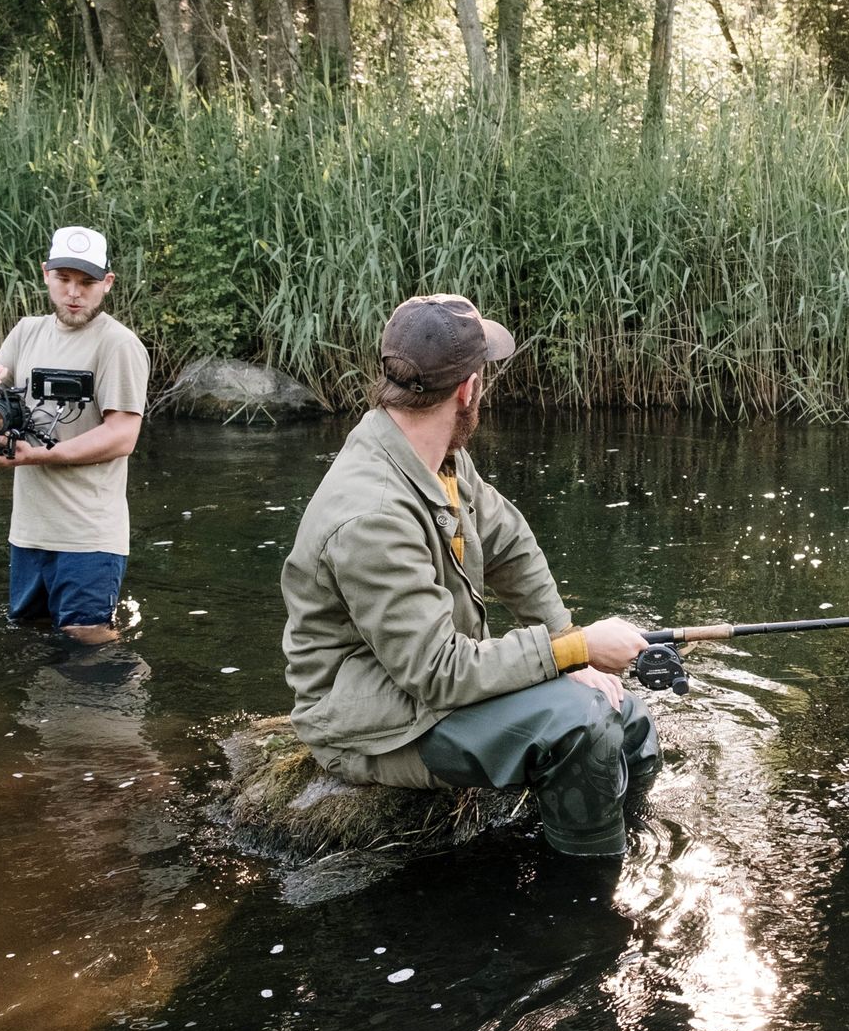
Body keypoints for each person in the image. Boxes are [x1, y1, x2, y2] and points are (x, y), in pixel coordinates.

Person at [281, 294, 662, 858]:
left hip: (424, 692)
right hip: (371, 724)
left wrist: (572, 650)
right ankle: (587, 903)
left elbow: (510, 542)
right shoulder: (372, 514)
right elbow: (437, 672)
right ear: (468, 389)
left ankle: (623, 849)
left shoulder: (438, 457)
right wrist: (571, 647)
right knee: (582, 726)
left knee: (627, 716)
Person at [0, 226, 151, 643]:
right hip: (28, 532)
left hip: (89, 536)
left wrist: (39, 455)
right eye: (64, 280)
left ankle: (133, 702)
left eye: (87, 282)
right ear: (45, 275)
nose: (74, 293)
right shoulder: (26, 332)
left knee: (88, 642)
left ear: (107, 284)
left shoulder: (119, 345)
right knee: (32, 640)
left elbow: (122, 436)